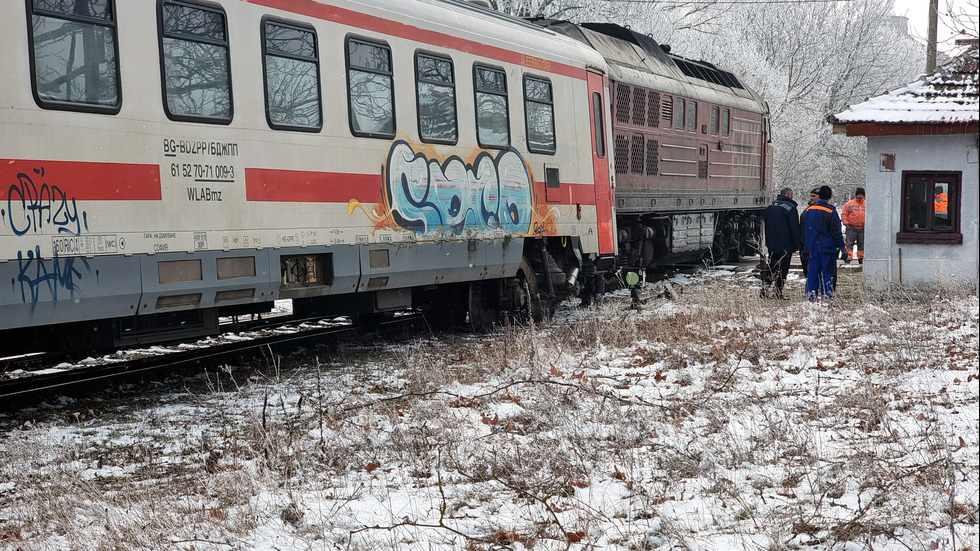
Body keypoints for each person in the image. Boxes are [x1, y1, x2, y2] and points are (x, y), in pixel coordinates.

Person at [802, 185, 847, 301]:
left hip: (812, 249)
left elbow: (805, 230)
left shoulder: (808, 211)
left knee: (812, 274)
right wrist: (842, 247)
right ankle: (827, 298)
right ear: (829, 197)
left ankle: (810, 298)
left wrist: (805, 247)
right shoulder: (831, 211)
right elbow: (836, 232)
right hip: (827, 249)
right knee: (827, 274)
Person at [763, 186, 802, 299]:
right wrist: (798, 244)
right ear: (789, 194)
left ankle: (764, 290)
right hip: (786, 244)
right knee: (783, 269)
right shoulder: (789, 208)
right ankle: (778, 292)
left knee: (771, 267)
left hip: (772, 243)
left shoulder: (770, 206)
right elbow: (794, 228)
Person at [841, 187, 866, 265]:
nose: (860, 196)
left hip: (863, 228)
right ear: (856, 195)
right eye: (858, 194)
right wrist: (846, 223)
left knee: (862, 244)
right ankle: (848, 258)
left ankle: (861, 258)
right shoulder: (849, 204)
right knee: (849, 244)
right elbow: (844, 214)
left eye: (861, 194)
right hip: (851, 227)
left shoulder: (867, 204)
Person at [799, 188, 818, 277]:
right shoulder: (807, 211)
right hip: (807, 245)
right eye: (810, 196)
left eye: (813, 196)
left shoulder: (825, 211)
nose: (811, 198)